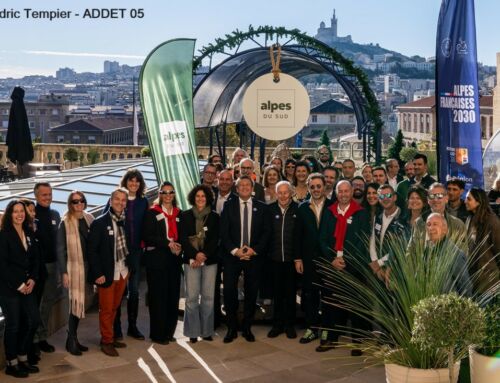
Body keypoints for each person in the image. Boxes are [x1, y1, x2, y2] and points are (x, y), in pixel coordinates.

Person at [318, 180, 371, 354]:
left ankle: (358, 342)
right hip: (332, 265)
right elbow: (322, 239)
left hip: (353, 266)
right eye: (340, 191)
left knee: (355, 305)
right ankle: (329, 339)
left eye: (346, 191)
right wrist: (333, 259)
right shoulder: (329, 212)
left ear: (352, 192)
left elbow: (363, 241)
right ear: (336, 192)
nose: (343, 194)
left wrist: (346, 259)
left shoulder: (361, 214)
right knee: (330, 304)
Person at [220, 176, 271, 343]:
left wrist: (253, 250)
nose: (244, 187)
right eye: (241, 185)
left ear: (252, 187)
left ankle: (247, 327)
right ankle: (232, 328)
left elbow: (266, 233)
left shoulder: (262, 208)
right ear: (237, 188)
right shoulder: (228, 206)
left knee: (251, 292)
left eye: (247, 185)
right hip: (232, 257)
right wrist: (236, 251)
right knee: (229, 291)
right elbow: (224, 233)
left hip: (254, 257)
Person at [0, 200, 41, 378]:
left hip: (28, 286)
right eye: (15, 211)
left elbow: (36, 260)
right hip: (9, 288)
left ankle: (23, 357)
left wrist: (32, 279)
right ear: (10, 214)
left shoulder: (29, 232)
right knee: (14, 324)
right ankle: (12, 363)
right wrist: (19, 284)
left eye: (22, 211)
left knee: (33, 320)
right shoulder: (3, 235)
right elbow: (2, 265)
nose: (19, 214)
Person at [88, 188, 130, 357]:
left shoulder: (126, 221)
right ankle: (106, 341)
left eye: (123, 200)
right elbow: (92, 251)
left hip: (123, 272)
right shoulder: (99, 222)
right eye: (117, 199)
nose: (120, 202)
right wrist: (98, 273)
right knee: (106, 309)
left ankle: (109, 336)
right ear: (111, 201)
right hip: (107, 273)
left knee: (114, 308)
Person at [142, 182, 182, 345]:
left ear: (174, 194)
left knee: (173, 297)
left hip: (174, 259)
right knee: (158, 297)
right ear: (159, 194)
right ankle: (158, 334)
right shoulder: (152, 213)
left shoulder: (180, 213)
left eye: (170, 192)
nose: (167, 195)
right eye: (164, 192)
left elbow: (184, 235)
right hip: (157, 259)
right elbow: (147, 235)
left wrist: (180, 246)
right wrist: (168, 244)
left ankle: (169, 332)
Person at [294, 173, 333, 345]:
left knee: (327, 295)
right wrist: (297, 258)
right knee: (309, 295)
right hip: (308, 259)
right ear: (308, 187)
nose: (316, 189)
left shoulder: (333, 207)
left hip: (328, 259)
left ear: (325, 187)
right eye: (313, 186)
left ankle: (326, 329)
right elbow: (297, 235)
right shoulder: (302, 208)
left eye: (319, 186)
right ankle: (312, 328)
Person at [179, 185, 220, 343]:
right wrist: (195, 255)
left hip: (210, 261)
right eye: (198, 196)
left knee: (208, 298)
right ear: (193, 198)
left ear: (208, 198)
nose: (200, 199)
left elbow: (215, 239)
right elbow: (183, 239)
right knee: (192, 298)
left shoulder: (215, 217)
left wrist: (203, 256)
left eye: (203, 196)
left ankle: (207, 331)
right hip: (191, 261)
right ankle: (193, 332)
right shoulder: (185, 215)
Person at [112, 169, 149, 341]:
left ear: (140, 184)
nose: (133, 184)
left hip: (136, 252)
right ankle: (116, 326)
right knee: (118, 290)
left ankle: (132, 326)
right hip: (119, 251)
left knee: (133, 291)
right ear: (125, 182)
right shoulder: (118, 199)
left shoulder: (143, 202)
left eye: (137, 181)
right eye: (130, 180)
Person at [57, 191, 94, 356]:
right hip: (73, 269)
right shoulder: (64, 223)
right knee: (74, 305)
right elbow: (60, 250)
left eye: (82, 201)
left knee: (82, 303)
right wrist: (64, 273)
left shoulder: (89, 219)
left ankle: (73, 339)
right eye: (75, 201)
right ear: (70, 204)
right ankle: (71, 340)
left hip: (87, 266)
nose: (79, 204)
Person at [267, 181, 299, 339]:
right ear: (276, 193)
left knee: (290, 294)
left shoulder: (298, 209)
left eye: (286, 192)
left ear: (291, 193)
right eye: (280, 192)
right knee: (277, 294)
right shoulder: (270, 209)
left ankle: (290, 325)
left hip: (292, 260)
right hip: (274, 260)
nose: (283, 195)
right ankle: (277, 325)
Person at [33, 182, 60, 357]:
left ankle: (41, 338)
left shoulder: (55, 214)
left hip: (53, 266)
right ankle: (33, 340)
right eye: (44, 195)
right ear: (36, 196)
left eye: (49, 194)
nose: (47, 197)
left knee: (47, 303)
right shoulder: (30, 215)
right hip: (37, 269)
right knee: (36, 304)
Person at [409, 183, 466, 253]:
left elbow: (463, 254)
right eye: (432, 196)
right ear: (428, 200)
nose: (435, 200)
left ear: (446, 198)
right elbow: (410, 251)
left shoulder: (458, 225)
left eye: (440, 196)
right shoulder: (419, 222)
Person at [369, 185, 408, 280]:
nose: (385, 199)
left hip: (394, 269)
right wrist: (375, 262)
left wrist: (379, 263)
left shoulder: (404, 218)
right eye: (381, 196)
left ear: (395, 197)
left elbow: (400, 247)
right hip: (376, 268)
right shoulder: (377, 216)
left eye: (388, 195)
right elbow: (373, 240)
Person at [464, 187, 500, 293]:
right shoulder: (470, 219)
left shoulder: (492, 222)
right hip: (473, 280)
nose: (465, 201)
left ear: (478, 201)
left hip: (489, 283)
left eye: (469, 199)